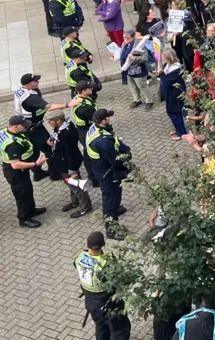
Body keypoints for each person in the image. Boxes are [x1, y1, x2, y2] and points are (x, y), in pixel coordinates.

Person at [74, 231, 131, 339]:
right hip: (109, 304)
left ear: (87, 244)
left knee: (101, 327)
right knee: (120, 330)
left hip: (91, 302)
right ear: (102, 246)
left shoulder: (79, 257)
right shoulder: (106, 264)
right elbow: (120, 280)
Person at [86, 109, 131, 240]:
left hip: (101, 169)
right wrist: (126, 157)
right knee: (111, 199)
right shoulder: (103, 141)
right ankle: (111, 230)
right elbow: (115, 160)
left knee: (112, 198)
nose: (110, 119)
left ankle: (115, 210)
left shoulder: (95, 128)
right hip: (107, 173)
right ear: (103, 120)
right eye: (108, 118)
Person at [1, 115, 48, 228]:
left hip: (19, 169)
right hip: (15, 172)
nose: (26, 127)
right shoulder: (12, 144)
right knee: (22, 194)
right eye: (24, 126)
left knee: (28, 189)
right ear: (15, 126)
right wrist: (35, 164)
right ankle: (24, 219)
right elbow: (15, 164)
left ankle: (31, 210)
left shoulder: (4, 131)